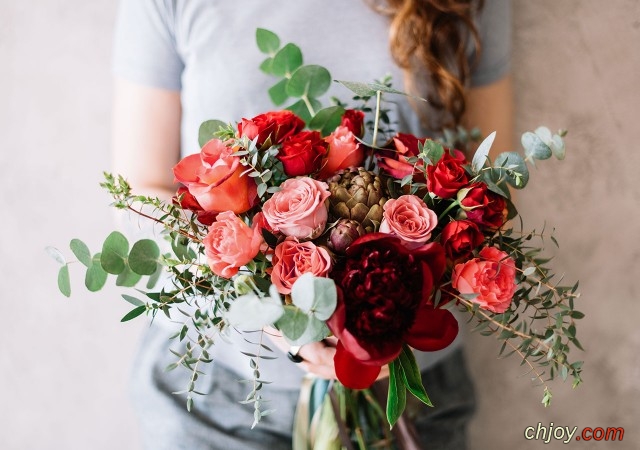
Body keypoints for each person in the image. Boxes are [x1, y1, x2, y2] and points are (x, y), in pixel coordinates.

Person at [111, 1, 512, 449]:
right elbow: (139, 190)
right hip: (212, 402)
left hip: (409, 403)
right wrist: (262, 294)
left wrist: (388, 324)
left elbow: (490, 189)